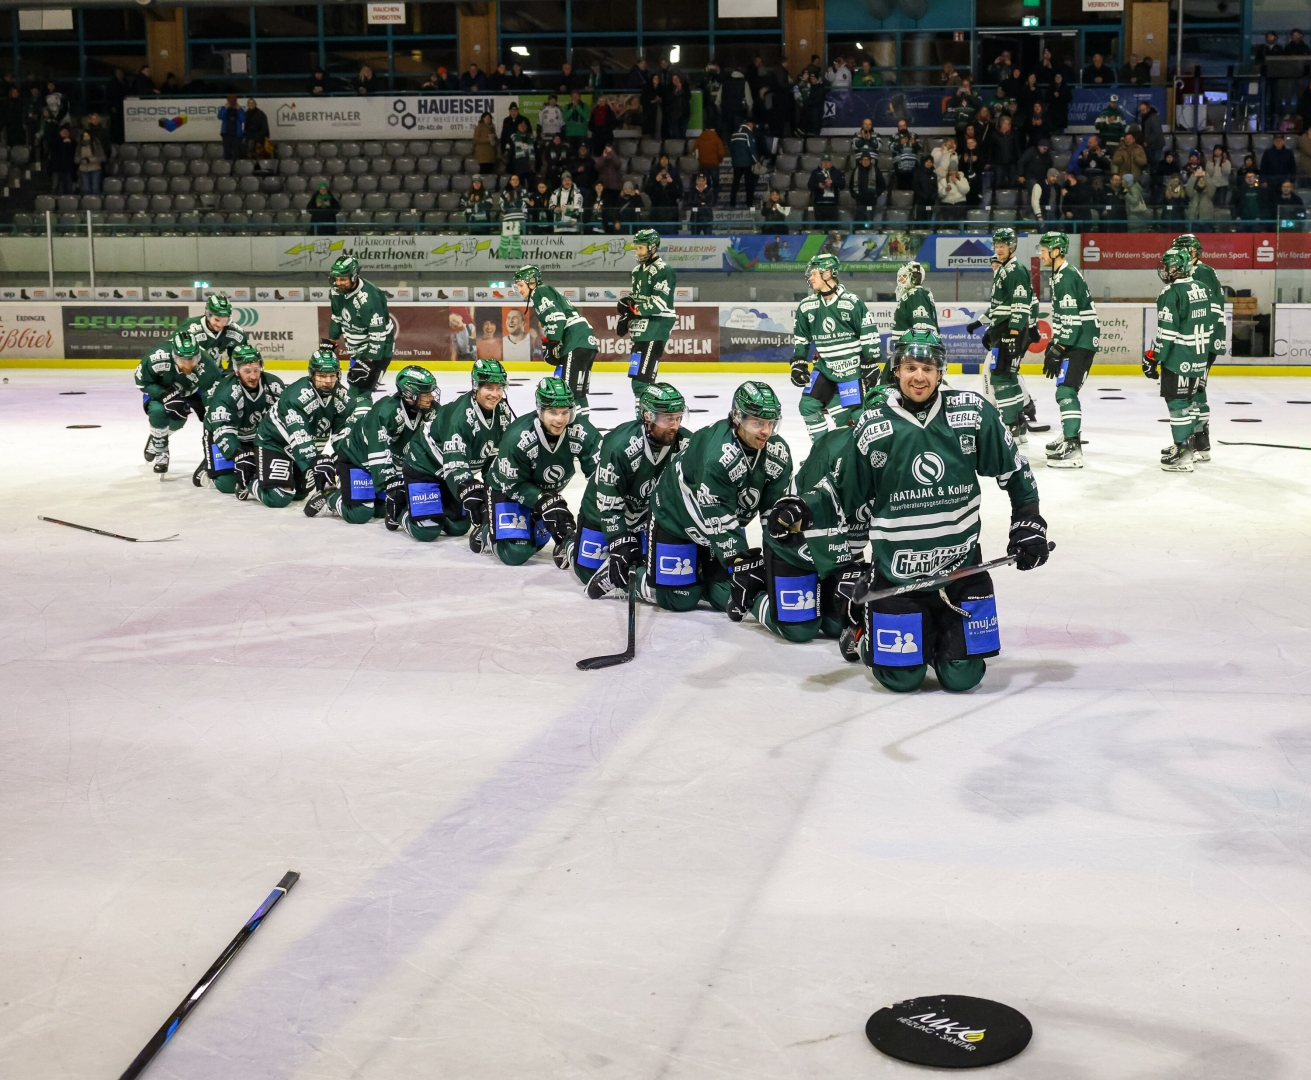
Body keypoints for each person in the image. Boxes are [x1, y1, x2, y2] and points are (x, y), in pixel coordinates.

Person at [842, 329, 1048, 693]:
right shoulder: (872, 427)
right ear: (896, 370)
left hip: (960, 572)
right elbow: (852, 501)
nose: (919, 376)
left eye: (928, 368)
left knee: (963, 676)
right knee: (902, 679)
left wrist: (1028, 521)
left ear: (941, 372)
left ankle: (937, 636)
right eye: (910, 367)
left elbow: (1015, 470)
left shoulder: (971, 413)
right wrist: (852, 562)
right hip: (899, 576)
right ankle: (865, 630)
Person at [644, 381, 792, 613]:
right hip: (676, 518)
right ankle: (632, 574)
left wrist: (781, 562)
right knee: (680, 598)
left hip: (716, 523)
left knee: (725, 595)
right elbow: (718, 516)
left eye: (770, 423)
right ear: (737, 418)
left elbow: (773, 514)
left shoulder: (778, 454)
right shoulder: (717, 456)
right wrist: (744, 564)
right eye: (757, 423)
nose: (766, 431)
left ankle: (700, 574)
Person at [574, 383, 689, 597]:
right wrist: (619, 541)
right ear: (647, 416)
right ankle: (571, 544)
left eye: (678, 417)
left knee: (671, 578)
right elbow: (608, 501)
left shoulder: (685, 444)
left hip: (647, 521)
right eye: (667, 419)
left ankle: (633, 578)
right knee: (586, 571)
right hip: (601, 515)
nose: (675, 425)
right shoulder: (619, 444)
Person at [484, 377, 600, 565]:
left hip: (545, 494)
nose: (560, 419)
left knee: (535, 542)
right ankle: (487, 529)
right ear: (540, 410)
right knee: (516, 553)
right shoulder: (517, 437)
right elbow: (511, 484)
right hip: (506, 489)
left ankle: (554, 534)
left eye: (565, 412)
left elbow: (601, 476)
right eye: (553, 412)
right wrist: (543, 500)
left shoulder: (582, 431)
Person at [397, 358, 513, 543]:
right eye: (489, 388)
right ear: (476, 387)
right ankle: (402, 507)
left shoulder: (503, 411)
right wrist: (472, 493)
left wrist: (496, 493)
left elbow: (495, 458)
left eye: (499, 388)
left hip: (451, 474)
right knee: (427, 530)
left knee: (458, 527)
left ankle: (437, 504)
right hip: (425, 468)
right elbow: (455, 465)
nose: (495, 394)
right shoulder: (459, 418)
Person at [303, 365, 437, 523]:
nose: (431, 397)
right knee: (361, 513)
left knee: (381, 510)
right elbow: (378, 453)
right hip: (357, 460)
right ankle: (330, 494)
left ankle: (363, 492)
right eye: (426, 393)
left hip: (386, 464)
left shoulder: (430, 409)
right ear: (410, 395)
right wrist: (391, 483)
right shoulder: (386, 412)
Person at [249, 348, 367, 510]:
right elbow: (299, 435)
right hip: (275, 443)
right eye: (322, 376)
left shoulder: (345, 400)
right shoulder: (296, 396)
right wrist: (316, 460)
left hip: (305, 446)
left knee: (301, 493)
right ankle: (251, 479)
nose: (328, 381)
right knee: (279, 496)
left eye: (332, 375)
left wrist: (343, 459)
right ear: (312, 375)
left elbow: (342, 435)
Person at [790, 254, 878, 441]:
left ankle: (852, 452)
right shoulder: (806, 306)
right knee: (808, 405)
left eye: (814, 273)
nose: (810, 278)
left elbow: (868, 334)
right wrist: (798, 363)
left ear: (828, 273)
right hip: (826, 370)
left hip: (851, 371)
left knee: (855, 416)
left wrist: (870, 363)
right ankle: (821, 452)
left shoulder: (851, 302)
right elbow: (801, 338)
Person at [1035, 232, 1100, 469]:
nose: (1040, 255)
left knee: (1066, 391)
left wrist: (1061, 346)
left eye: (1043, 251)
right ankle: (1068, 435)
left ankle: (1072, 446)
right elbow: (1064, 316)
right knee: (1065, 390)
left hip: (1080, 342)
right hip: (1077, 340)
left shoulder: (1066, 276)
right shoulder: (1060, 275)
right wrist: (1056, 342)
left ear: (1056, 251)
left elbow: (1072, 318)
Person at [515, 263, 602, 435]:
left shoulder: (540, 291)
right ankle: (584, 432)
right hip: (586, 342)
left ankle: (574, 434)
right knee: (579, 394)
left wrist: (552, 343)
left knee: (568, 393)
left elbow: (557, 318)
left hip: (574, 342)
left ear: (531, 282)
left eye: (520, 285)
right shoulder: (548, 291)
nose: (518, 290)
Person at [1143, 247, 1210, 472]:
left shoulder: (1170, 293)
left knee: (1177, 403)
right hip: (1198, 356)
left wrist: (1154, 357)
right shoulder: (1202, 289)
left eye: (1168, 266)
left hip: (1179, 357)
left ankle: (1183, 453)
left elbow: (1167, 333)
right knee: (1190, 402)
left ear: (1178, 267)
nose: (1165, 270)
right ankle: (1189, 446)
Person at [967, 228, 1035, 441]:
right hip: (1002, 331)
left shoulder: (1015, 270)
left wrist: (1013, 334)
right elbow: (999, 306)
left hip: (1009, 332)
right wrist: (985, 325)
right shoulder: (1004, 270)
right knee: (1009, 377)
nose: (999, 250)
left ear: (1012, 247)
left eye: (1002, 246)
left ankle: (1009, 424)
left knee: (999, 377)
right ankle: (1018, 422)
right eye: (996, 246)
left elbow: (1020, 304)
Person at [200, 344, 284, 497]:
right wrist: (238, 454)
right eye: (247, 371)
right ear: (236, 371)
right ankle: (209, 464)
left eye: (256, 370)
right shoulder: (225, 392)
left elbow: (285, 420)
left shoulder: (274, 385)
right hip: (223, 435)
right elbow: (222, 429)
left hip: (257, 438)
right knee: (227, 484)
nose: (253, 376)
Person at [1170, 233, 1225, 462]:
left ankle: (1197, 440)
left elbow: (1208, 310)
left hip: (1203, 341)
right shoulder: (1195, 271)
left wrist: (1201, 341)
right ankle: (1199, 441)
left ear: (1193, 252)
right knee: (1195, 388)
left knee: (1194, 389)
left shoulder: (1201, 271)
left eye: (1182, 250)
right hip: (1201, 340)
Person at [133, 332, 210, 475]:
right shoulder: (156, 358)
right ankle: (161, 452)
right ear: (174, 356)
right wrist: (164, 394)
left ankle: (157, 437)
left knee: (182, 420)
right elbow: (142, 382)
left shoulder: (206, 360)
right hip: (162, 390)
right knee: (158, 411)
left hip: (191, 390)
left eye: (192, 359)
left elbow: (215, 383)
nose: (188, 364)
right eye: (183, 360)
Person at [615, 228, 677, 401]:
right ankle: (645, 414)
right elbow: (636, 298)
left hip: (656, 325)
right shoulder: (637, 271)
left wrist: (633, 311)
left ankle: (645, 416)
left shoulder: (663, 270)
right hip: (642, 329)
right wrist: (627, 311)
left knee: (642, 381)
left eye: (641, 248)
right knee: (639, 380)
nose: (637, 252)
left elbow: (658, 303)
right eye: (637, 248)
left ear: (653, 247)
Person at [323, 255, 394, 392]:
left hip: (378, 348)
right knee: (353, 388)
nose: (338, 283)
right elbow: (337, 317)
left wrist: (368, 361)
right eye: (336, 279)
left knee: (360, 392)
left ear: (354, 277)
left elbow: (378, 334)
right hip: (356, 349)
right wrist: (331, 341)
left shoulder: (368, 300)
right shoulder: (336, 291)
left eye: (343, 279)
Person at [178, 293, 248, 373]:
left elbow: (239, 361)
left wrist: (229, 375)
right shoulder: (188, 329)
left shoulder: (236, 333)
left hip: (216, 373)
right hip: (191, 374)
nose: (220, 324)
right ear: (208, 314)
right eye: (217, 320)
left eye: (225, 320)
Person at [1260, 133, 1296, 214]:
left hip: (1284, 182)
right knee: (1271, 202)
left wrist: (1292, 181)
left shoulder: (1289, 153)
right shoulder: (1267, 153)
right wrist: (1263, 181)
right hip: (1270, 183)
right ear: (1273, 141)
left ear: (1283, 141)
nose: (1278, 142)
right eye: (1276, 140)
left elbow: (1293, 168)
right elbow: (1263, 168)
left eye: (1280, 140)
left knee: (1284, 201)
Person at [729, 117, 759, 208]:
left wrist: (734, 160)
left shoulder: (734, 133)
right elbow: (751, 148)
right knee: (748, 184)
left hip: (736, 163)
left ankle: (732, 203)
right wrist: (756, 161)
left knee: (735, 183)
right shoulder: (748, 133)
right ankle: (749, 203)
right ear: (750, 124)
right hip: (747, 163)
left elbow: (731, 148)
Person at [808, 152, 844, 226]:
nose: (826, 164)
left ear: (830, 162)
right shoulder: (815, 172)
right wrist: (818, 185)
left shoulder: (836, 172)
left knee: (833, 225)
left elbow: (842, 184)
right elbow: (810, 185)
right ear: (821, 162)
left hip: (833, 203)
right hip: (819, 203)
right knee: (819, 225)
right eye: (824, 162)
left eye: (828, 162)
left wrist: (833, 182)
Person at [692, 125, 726, 203]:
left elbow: (694, 151)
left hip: (703, 165)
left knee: (705, 184)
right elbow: (721, 153)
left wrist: (700, 159)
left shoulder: (700, 139)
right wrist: (718, 161)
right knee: (715, 184)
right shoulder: (717, 139)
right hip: (714, 164)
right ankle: (714, 201)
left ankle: (706, 201)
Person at [988, 115, 1021, 190]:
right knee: (998, 182)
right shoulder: (994, 135)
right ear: (1002, 124)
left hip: (1012, 163)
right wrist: (989, 162)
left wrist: (1018, 160)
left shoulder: (1013, 134)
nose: (1010, 125)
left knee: (1012, 183)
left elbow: (1017, 148)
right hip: (998, 163)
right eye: (1008, 124)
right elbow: (990, 149)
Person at [850, 152, 882, 224]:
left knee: (869, 219)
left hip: (871, 201)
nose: (865, 162)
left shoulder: (876, 170)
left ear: (870, 161)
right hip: (859, 201)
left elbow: (882, 185)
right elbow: (851, 184)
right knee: (859, 219)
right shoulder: (856, 170)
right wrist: (854, 195)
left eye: (867, 160)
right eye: (864, 160)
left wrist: (876, 194)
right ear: (861, 161)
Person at [76, 129, 106, 194]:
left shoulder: (96, 145)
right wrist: (82, 160)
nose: (86, 138)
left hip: (95, 168)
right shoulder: (79, 146)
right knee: (86, 189)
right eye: (85, 136)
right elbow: (76, 159)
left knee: (95, 188)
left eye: (87, 136)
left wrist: (91, 160)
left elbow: (102, 157)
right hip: (83, 169)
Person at [1137, 100, 1164, 165]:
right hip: (1150, 145)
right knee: (1151, 163)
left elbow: (1157, 132)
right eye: (1141, 110)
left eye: (1143, 110)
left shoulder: (1154, 118)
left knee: (1156, 164)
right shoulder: (1145, 117)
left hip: (1156, 145)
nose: (1142, 112)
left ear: (1148, 108)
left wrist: (1147, 142)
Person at [218, 94, 245, 161]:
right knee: (227, 154)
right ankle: (228, 166)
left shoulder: (240, 110)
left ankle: (237, 165)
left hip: (237, 135)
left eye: (233, 101)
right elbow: (220, 117)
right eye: (230, 101)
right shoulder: (224, 108)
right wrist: (225, 108)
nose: (232, 103)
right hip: (226, 134)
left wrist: (239, 109)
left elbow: (243, 119)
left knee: (237, 153)